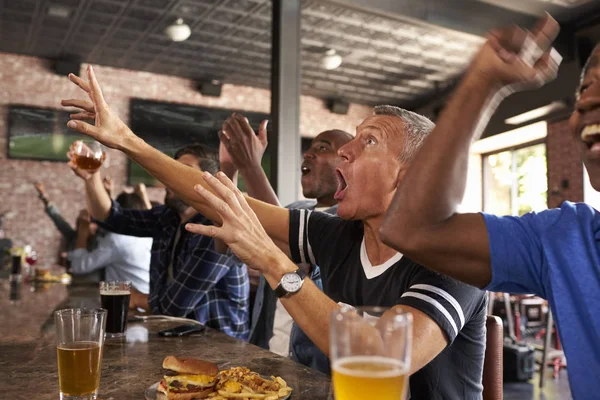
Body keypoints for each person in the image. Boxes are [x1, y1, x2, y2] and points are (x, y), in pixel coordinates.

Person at [61, 65, 486, 398]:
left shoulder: (458, 255)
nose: (344, 150)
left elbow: (379, 354)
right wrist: (127, 141)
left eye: (368, 141)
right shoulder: (342, 234)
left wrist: (271, 261)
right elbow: (218, 199)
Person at [379, 15, 600, 397]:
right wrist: (484, 81)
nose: (589, 101)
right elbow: (410, 229)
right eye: (585, 91)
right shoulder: (566, 239)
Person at [67, 141, 250, 339]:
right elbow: (111, 218)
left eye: (184, 171)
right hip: (177, 339)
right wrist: (92, 178)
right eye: (173, 169)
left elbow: (173, 310)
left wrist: (137, 299)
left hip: (222, 351)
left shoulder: (217, 230)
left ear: (210, 184)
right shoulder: (168, 218)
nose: (171, 176)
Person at [220, 112, 352, 372]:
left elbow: (291, 260)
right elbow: (224, 245)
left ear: (348, 163)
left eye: (323, 148)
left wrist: (251, 168)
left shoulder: (351, 223)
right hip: (268, 355)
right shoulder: (294, 209)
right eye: (309, 149)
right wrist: (229, 168)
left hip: (312, 369)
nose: (308, 154)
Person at [68, 192, 152, 294]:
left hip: (129, 305)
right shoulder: (147, 237)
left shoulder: (117, 240)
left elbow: (78, 266)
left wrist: (82, 230)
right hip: (147, 300)